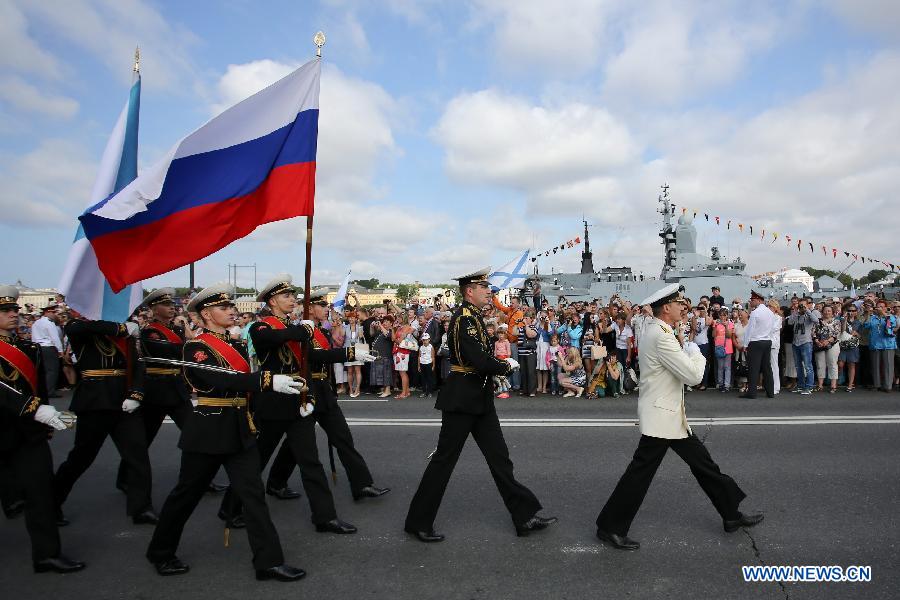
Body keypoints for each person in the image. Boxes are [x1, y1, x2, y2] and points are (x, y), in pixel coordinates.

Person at [146, 283, 307, 581]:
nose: (232, 311)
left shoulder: (234, 344)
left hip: (238, 426)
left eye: (232, 306)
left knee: (253, 496)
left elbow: (243, 380)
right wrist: (267, 381)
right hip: (208, 428)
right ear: (206, 314)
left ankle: (268, 562)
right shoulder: (196, 347)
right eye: (224, 307)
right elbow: (220, 378)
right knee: (186, 495)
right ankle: (160, 551)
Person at [595, 284, 763, 551]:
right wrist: (695, 352)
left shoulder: (658, 329)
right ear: (666, 309)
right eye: (678, 304)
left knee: (704, 465)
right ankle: (611, 527)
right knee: (640, 475)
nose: (683, 308)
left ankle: (731, 514)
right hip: (663, 416)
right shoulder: (660, 335)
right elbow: (693, 376)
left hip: (668, 415)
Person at [404, 268, 557, 542]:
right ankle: (418, 521)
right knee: (444, 462)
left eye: (488, 286)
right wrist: (504, 367)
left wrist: (494, 372)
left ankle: (523, 517)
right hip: (463, 399)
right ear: (469, 292)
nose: (489, 291)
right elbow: (478, 359)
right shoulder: (465, 319)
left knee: (500, 459)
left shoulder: (474, 316)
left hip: (479, 397)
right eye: (483, 287)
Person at [219, 275, 366, 536]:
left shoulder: (296, 327)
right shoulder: (262, 327)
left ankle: (325, 516)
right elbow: (270, 341)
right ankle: (231, 508)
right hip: (272, 405)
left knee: (311, 462)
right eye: (286, 296)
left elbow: (316, 356)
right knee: (256, 461)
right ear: (273, 301)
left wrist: (350, 354)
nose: (293, 300)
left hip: (298, 400)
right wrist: (303, 330)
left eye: (293, 296)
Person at [264, 288, 390, 502]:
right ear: (310, 308)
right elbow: (314, 356)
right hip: (307, 390)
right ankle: (276, 482)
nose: (327, 309)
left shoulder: (321, 331)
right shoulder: (300, 330)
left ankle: (361, 484)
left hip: (323, 390)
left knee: (342, 438)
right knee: (294, 445)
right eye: (322, 306)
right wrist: (349, 353)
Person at [0, 286, 85, 574]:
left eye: (14, 310)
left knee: (40, 494)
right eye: (5, 311)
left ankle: (47, 554)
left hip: (27, 433)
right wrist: (33, 409)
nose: (13, 315)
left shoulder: (28, 348)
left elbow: (36, 387)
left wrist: (44, 417)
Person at [53, 308, 157, 525]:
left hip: (124, 400)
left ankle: (141, 507)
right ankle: (51, 503)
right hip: (95, 401)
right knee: (80, 458)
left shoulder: (125, 330)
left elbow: (138, 364)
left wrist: (136, 393)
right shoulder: (80, 327)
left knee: (137, 456)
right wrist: (120, 327)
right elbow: (79, 327)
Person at [115, 288, 207, 495]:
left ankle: (198, 478)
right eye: (166, 305)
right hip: (156, 390)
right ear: (154, 309)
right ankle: (125, 477)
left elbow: (181, 351)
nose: (172, 308)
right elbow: (170, 351)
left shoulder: (175, 330)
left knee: (195, 434)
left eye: (172, 304)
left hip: (175, 388)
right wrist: (189, 346)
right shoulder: (150, 331)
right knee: (143, 440)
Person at [739, 291, 778, 399]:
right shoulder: (770, 312)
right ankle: (770, 392)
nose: (751, 301)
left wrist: (746, 344)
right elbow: (771, 328)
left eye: (752, 300)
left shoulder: (755, 313)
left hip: (756, 342)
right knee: (767, 368)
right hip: (767, 341)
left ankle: (752, 392)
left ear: (758, 300)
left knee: (753, 368)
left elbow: (749, 330)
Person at [863, 300, 897, 392]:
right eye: (878, 306)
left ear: (886, 308)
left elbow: (893, 325)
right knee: (875, 365)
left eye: (882, 306)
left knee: (888, 365)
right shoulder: (873, 317)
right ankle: (876, 384)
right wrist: (868, 313)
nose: (880, 308)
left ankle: (888, 386)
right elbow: (866, 325)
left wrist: (884, 314)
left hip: (888, 344)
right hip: (875, 344)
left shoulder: (891, 316)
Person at [787, 298, 819, 395]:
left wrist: (807, 310)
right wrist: (796, 311)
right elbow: (789, 322)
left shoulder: (809, 315)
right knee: (798, 366)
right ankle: (801, 385)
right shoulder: (796, 315)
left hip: (806, 343)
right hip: (795, 343)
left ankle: (809, 386)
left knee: (808, 366)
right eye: (800, 305)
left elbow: (816, 320)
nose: (801, 307)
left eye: (803, 305)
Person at [30, 305, 63, 398]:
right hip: (48, 347)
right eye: (53, 312)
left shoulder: (36, 322)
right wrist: (60, 350)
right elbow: (55, 337)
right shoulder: (49, 323)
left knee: (43, 371)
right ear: (47, 312)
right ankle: (50, 391)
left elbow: (33, 337)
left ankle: (42, 390)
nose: (54, 314)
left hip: (38, 347)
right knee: (52, 370)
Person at [813, 305, 840, 393]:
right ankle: (820, 385)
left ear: (832, 312)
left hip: (832, 344)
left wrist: (828, 341)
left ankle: (833, 385)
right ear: (822, 312)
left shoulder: (836, 321)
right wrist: (817, 341)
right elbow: (813, 332)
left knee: (832, 364)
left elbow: (836, 333)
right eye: (825, 310)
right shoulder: (818, 322)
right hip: (820, 345)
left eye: (829, 311)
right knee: (820, 365)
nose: (827, 312)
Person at [838, 304, 862, 392]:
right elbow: (842, 330)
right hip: (843, 345)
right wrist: (844, 320)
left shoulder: (858, 322)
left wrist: (856, 333)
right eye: (849, 311)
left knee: (851, 365)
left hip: (853, 345)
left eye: (853, 311)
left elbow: (858, 335)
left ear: (856, 312)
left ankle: (850, 385)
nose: (851, 313)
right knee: (840, 364)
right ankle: (837, 381)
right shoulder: (842, 319)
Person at [342, 311, 365, 398]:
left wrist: (358, 327)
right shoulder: (345, 327)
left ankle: (357, 388)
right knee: (350, 371)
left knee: (357, 370)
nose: (351, 319)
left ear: (356, 318)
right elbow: (342, 335)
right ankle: (351, 389)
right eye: (349, 318)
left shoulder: (359, 327)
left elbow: (361, 336)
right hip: (349, 349)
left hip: (358, 348)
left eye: (353, 317)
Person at [713, 308, 735, 392]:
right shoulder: (717, 324)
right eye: (721, 315)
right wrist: (715, 326)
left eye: (724, 315)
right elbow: (713, 335)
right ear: (719, 315)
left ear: (727, 315)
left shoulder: (730, 323)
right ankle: (721, 384)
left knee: (727, 367)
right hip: (719, 347)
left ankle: (727, 385)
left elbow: (729, 336)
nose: (722, 317)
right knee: (720, 367)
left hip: (728, 347)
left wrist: (726, 326)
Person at [766, 300, 783, 395]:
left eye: (770, 306)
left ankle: (776, 387)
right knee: (768, 366)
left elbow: (772, 329)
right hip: (766, 343)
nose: (769, 308)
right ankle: (769, 385)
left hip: (773, 344)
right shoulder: (768, 317)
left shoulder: (778, 318)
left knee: (774, 365)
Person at [419, 333, 436, 398]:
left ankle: (430, 392)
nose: (425, 341)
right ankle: (424, 392)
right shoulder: (421, 347)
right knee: (423, 378)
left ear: (429, 340)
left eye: (426, 340)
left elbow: (433, 357)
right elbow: (419, 356)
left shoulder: (431, 347)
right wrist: (418, 366)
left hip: (429, 363)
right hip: (422, 363)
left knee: (429, 378)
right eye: (423, 340)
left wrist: (433, 365)